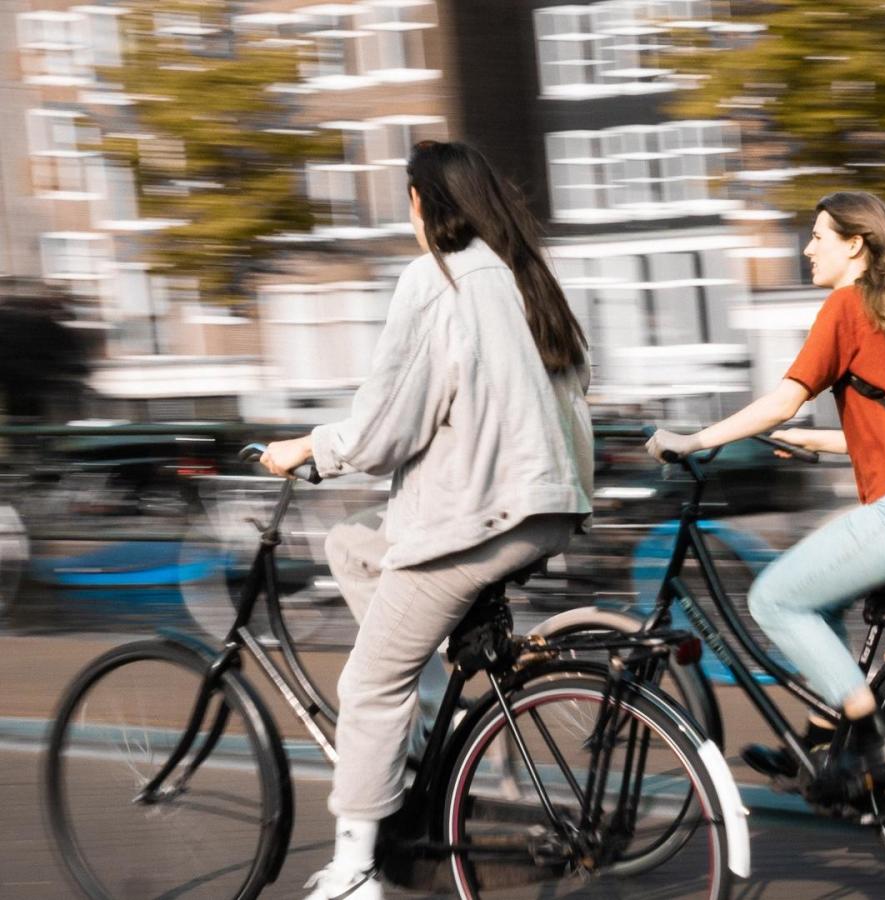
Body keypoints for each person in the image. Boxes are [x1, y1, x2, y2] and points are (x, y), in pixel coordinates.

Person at [261, 140, 594, 899]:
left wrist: (307, 449)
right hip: (548, 509)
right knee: (353, 548)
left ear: (422, 203)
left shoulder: (437, 279)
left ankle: (353, 872)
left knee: (369, 684)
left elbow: (384, 430)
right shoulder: (527, 278)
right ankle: (421, 739)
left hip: (474, 519)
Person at [646, 191, 885, 783]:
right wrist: (817, 443)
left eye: (819, 237)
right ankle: (822, 742)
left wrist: (692, 441)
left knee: (773, 600)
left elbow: (781, 401)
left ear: (855, 245)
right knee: (817, 601)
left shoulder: (846, 307)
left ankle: (880, 740)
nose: (806, 248)